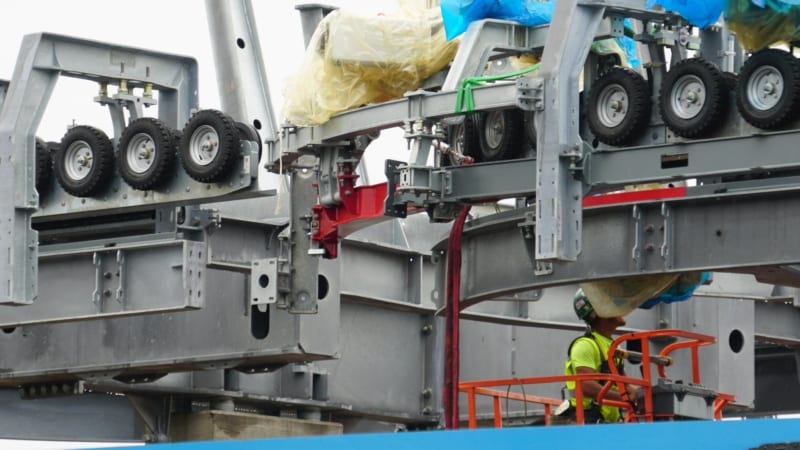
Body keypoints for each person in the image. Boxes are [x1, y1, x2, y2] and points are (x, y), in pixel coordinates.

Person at [561, 288, 638, 423]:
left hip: (607, 423)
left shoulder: (613, 345)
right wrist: (624, 398)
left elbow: (623, 384)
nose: (619, 308)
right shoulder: (586, 345)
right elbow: (586, 385)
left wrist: (637, 394)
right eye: (613, 304)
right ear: (601, 312)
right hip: (587, 420)